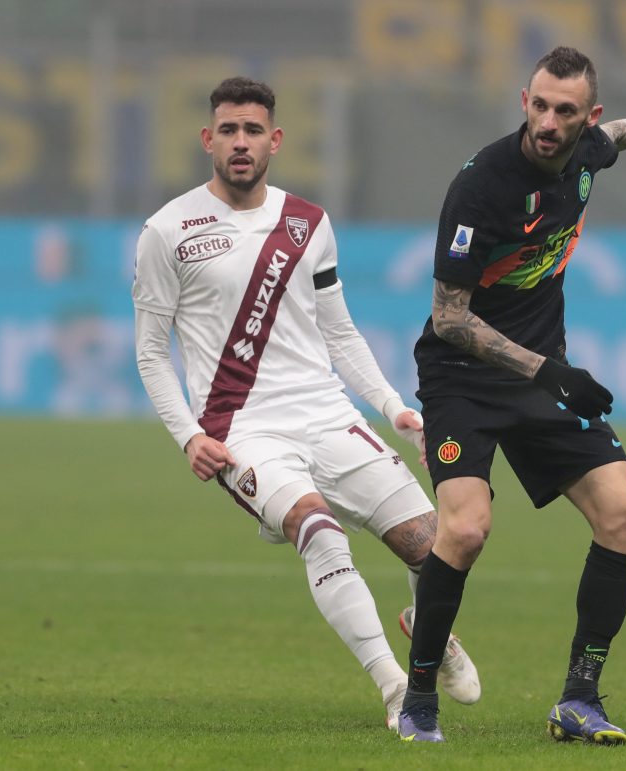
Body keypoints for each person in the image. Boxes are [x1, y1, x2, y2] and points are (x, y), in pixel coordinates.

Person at [131, 76, 481, 731]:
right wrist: (187, 435)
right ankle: (395, 689)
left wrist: (389, 405)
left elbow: (338, 329)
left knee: (440, 542)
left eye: (252, 130)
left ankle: (427, 629)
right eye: (228, 130)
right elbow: (151, 351)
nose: (240, 142)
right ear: (207, 139)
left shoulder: (307, 223)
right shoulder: (166, 231)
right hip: (242, 429)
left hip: (327, 414)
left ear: (275, 141)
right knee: (319, 531)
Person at [397, 47, 626, 744]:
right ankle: (419, 698)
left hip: (542, 374)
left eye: (564, 110)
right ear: (524, 101)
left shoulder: (586, 150)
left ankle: (579, 697)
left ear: (584, 117)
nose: (547, 121)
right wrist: (546, 371)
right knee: (467, 528)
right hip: (463, 376)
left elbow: (618, 136)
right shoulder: (480, 188)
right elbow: (449, 317)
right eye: (538, 105)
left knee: (625, 515)